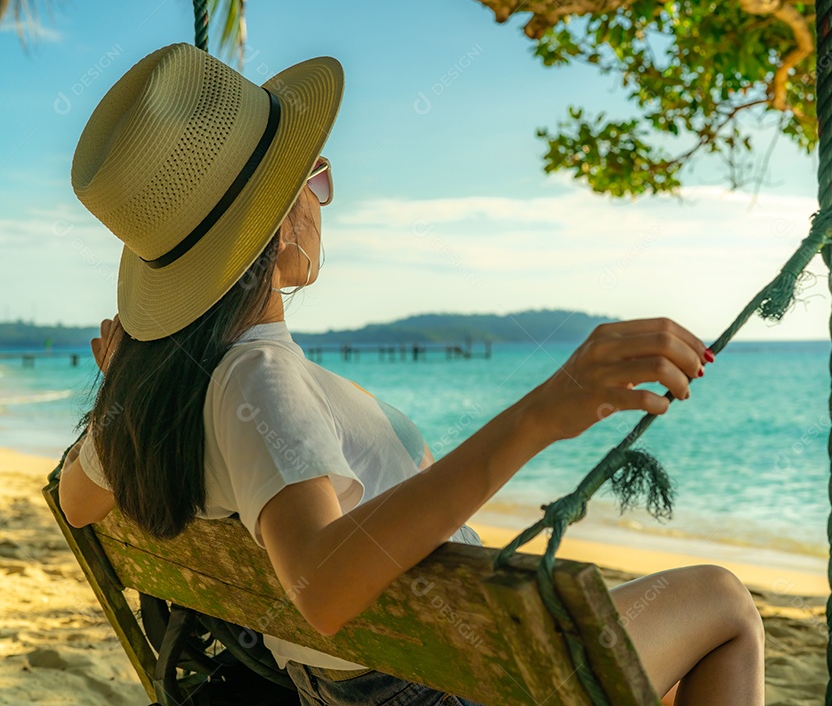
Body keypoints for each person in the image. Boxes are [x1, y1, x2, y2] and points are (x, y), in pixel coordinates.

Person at [57, 42, 764, 706]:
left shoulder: (167, 392)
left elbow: (78, 501)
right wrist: (544, 411)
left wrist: (115, 397)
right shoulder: (256, 378)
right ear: (276, 225)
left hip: (367, 678)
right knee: (724, 604)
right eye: (315, 178)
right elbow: (321, 586)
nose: (321, 199)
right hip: (442, 682)